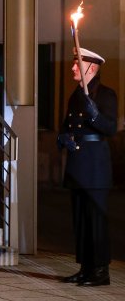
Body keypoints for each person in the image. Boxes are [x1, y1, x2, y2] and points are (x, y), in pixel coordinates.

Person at [57, 48, 117, 286]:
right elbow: (66, 126)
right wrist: (62, 137)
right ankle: (85, 267)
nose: (73, 68)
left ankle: (101, 271)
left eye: (76, 64)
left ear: (90, 67)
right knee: (81, 219)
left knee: (96, 220)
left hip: (95, 167)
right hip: (77, 165)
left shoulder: (105, 94)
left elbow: (110, 128)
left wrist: (94, 116)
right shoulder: (76, 95)